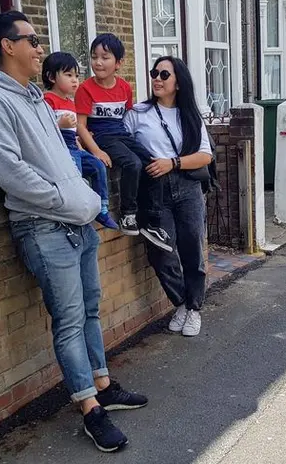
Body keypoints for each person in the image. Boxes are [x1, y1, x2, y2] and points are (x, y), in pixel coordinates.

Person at [0, 11, 147, 453]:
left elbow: (61, 158)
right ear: (7, 46)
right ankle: (90, 408)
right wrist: (66, 201)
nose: (39, 48)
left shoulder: (35, 98)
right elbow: (11, 172)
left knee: (90, 311)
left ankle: (103, 385)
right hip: (44, 226)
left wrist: (81, 197)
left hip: (77, 222)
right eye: (31, 40)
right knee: (68, 321)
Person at [123, 56, 213, 337]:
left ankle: (194, 308)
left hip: (187, 186)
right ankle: (182, 302)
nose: (157, 79)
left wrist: (172, 163)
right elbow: (120, 143)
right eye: (154, 73)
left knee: (192, 248)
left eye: (164, 74)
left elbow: (205, 156)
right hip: (153, 190)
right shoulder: (138, 113)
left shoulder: (190, 115)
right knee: (160, 251)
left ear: (178, 82)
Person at [75, 33, 171, 251]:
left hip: (122, 134)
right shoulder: (85, 89)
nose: (98, 62)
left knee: (154, 163)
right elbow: (80, 126)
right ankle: (128, 215)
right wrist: (96, 151)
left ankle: (153, 221)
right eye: (94, 57)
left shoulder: (124, 88)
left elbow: (127, 118)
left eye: (105, 57)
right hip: (101, 136)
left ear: (118, 63)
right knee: (132, 164)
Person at [41, 51, 119, 230]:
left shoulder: (71, 102)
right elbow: (41, 128)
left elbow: (73, 130)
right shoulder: (47, 100)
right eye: (68, 75)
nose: (75, 80)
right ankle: (76, 209)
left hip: (73, 146)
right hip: (60, 147)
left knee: (97, 166)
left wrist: (80, 141)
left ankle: (102, 208)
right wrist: (59, 124)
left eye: (76, 76)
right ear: (51, 77)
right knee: (75, 173)